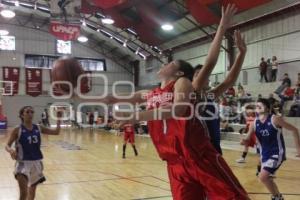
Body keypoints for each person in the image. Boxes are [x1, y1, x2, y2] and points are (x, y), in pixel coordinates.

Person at [193, 29, 247, 154]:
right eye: (198, 74)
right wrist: (222, 27)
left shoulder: (210, 95)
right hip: (199, 151)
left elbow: (229, 80)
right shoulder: (191, 96)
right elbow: (211, 62)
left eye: (205, 74)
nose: (203, 77)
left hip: (214, 148)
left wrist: (242, 53)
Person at [241, 98, 300, 200]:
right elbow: (247, 138)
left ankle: (276, 197)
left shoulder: (274, 119)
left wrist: (298, 149)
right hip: (265, 154)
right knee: (267, 179)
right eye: (257, 105)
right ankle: (278, 197)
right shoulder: (254, 123)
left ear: (267, 108)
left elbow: (294, 130)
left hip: (277, 152)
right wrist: (244, 141)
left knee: (262, 177)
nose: (257, 106)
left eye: (260, 105)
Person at [5, 106, 61, 200]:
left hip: (36, 163)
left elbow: (56, 132)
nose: (30, 114)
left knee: (32, 193)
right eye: (27, 112)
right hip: (22, 164)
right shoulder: (17, 129)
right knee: (23, 194)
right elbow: (7, 145)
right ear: (22, 115)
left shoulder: (38, 128)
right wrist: (11, 151)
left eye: (32, 112)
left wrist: (59, 119)